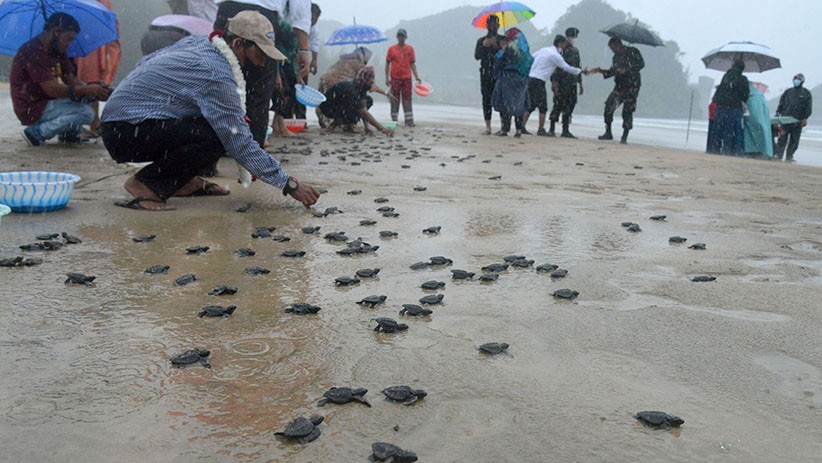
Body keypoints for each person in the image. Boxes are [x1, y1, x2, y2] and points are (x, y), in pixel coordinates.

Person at [100, 11, 320, 211]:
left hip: (120, 125)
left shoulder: (198, 43)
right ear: (238, 44)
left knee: (211, 124)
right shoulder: (216, 73)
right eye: (260, 55)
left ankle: (181, 182)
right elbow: (238, 140)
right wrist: (289, 184)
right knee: (220, 135)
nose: (262, 64)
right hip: (126, 131)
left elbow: (145, 64)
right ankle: (146, 185)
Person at [213, 0, 312, 147]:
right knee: (258, 95)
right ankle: (251, 148)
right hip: (262, 17)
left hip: (228, 12)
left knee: (220, 86)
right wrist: (303, 49)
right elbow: (300, 9)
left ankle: (219, 145)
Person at [11, 13, 112, 147]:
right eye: (69, 39)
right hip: (32, 107)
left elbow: (71, 79)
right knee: (86, 113)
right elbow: (52, 90)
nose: (69, 45)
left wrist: (93, 90)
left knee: (87, 99)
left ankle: (68, 133)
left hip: (48, 102)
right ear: (57, 32)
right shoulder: (33, 51)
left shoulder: (57, 50)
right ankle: (36, 133)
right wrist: (85, 90)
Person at [74, 0, 121, 138]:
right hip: (89, 39)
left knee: (91, 80)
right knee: (88, 80)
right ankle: (89, 125)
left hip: (91, 40)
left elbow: (107, 18)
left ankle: (91, 125)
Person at [522, 35, 582, 137]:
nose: (564, 46)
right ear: (560, 44)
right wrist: (580, 71)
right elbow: (566, 67)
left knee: (531, 104)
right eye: (564, 44)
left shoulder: (544, 50)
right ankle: (541, 129)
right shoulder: (555, 55)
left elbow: (531, 58)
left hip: (530, 78)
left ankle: (522, 126)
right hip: (539, 81)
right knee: (543, 106)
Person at [589, 37, 644, 144]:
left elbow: (641, 64)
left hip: (632, 86)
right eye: (611, 49)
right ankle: (608, 132)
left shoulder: (633, 51)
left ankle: (624, 137)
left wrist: (627, 70)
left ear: (619, 45)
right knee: (609, 105)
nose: (613, 51)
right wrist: (600, 71)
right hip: (619, 86)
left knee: (628, 111)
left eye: (613, 48)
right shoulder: (616, 57)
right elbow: (613, 71)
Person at [319, 66, 394, 136]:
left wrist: (366, 126)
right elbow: (363, 113)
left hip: (342, 103)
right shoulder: (352, 90)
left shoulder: (362, 85)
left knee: (368, 100)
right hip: (328, 107)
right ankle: (334, 124)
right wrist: (382, 129)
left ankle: (347, 124)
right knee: (354, 111)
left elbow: (364, 105)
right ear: (364, 80)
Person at [491, 28, 532, 137]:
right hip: (521, 79)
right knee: (519, 104)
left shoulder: (508, 48)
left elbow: (498, 60)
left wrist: (502, 50)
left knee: (506, 103)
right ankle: (518, 129)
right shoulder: (524, 50)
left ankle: (505, 128)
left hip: (508, 78)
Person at [548, 27, 583, 138]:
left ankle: (565, 129)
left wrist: (580, 83)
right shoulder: (560, 50)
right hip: (561, 82)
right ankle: (552, 128)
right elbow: (554, 66)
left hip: (572, 82)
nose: (574, 39)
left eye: (575, 37)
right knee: (558, 104)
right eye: (572, 36)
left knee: (570, 105)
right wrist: (554, 82)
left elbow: (578, 67)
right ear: (567, 37)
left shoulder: (575, 51)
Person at [474, 15, 505, 135]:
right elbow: (477, 56)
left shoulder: (503, 39)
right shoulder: (481, 40)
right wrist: (484, 46)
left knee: (501, 99)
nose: (493, 26)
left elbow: (508, 56)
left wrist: (500, 47)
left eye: (495, 24)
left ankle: (503, 126)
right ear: (486, 26)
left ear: (498, 25)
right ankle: (488, 127)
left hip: (500, 73)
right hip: (486, 73)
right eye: (490, 24)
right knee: (486, 99)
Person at [711, 59, 749, 155]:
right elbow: (745, 95)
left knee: (718, 131)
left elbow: (721, 90)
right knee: (731, 132)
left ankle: (715, 150)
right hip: (735, 108)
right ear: (742, 69)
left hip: (721, 107)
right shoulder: (743, 80)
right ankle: (729, 151)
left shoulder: (726, 76)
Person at [385, 29, 422, 127]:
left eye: (402, 36)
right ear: (397, 37)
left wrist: (417, 77)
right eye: (399, 36)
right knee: (394, 99)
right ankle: (394, 120)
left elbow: (412, 64)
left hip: (407, 78)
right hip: (395, 78)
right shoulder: (391, 49)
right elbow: (387, 63)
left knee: (407, 99)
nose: (401, 38)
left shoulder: (410, 49)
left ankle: (409, 121)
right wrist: (386, 78)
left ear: (406, 37)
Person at [774, 73, 813, 161]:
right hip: (785, 119)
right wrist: (777, 114)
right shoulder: (788, 92)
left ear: (802, 81)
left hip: (797, 120)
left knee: (794, 140)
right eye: (795, 79)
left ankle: (789, 156)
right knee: (782, 138)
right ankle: (779, 155)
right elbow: (781, 104)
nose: (796, 81)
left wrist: (805, 118)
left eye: (798, 79)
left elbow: (808, 107)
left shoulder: (806, 93)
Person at [294, 3, 321, 120]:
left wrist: (314, 61)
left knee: (302, 88)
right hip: (291, 56)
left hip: (303, 60)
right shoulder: (296, 22)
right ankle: (286, 117)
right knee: (288, 89)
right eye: (312, 19)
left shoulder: (314, 29)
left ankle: (301, 118)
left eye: (315, 20)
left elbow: (315, 45)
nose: (313, 22)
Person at [743, 81, 773, 158]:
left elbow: (754, 118)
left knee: (751, 132)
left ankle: (752, 150)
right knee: (763, 132)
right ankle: (764, 151)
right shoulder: (760, 97)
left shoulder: (752, 97)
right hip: (762, 122)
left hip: (753, 119)